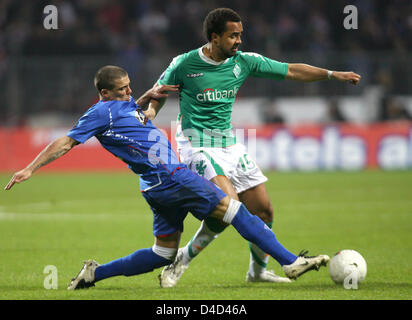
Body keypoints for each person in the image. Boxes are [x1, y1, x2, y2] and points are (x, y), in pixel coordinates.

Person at [4, 65, 330, 290]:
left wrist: (149, 94)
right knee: (235, 209)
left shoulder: (123, 104)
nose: (129, 91)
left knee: (163, 254)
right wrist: (30, 168)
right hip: (171, 176)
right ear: (104, 93)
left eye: (130, 86)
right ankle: (289, 262)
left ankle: (94, 274)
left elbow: (133, 108)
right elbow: (66, 141)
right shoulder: (100, 112)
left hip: (154, 187)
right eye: (122, 89)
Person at [145, 8, 361, 287]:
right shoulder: (185, 63)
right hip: (196, 143)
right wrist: (151, 111)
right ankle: (182, 260)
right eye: (232, 36)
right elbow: (158, 90)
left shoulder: (244, 62)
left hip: (228, 143)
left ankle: (257, 272)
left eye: (240, 35)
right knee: (229, 207)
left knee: (263, 210)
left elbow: (292, 70)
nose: (239, 41)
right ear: (214, 37)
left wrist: (332, 74)